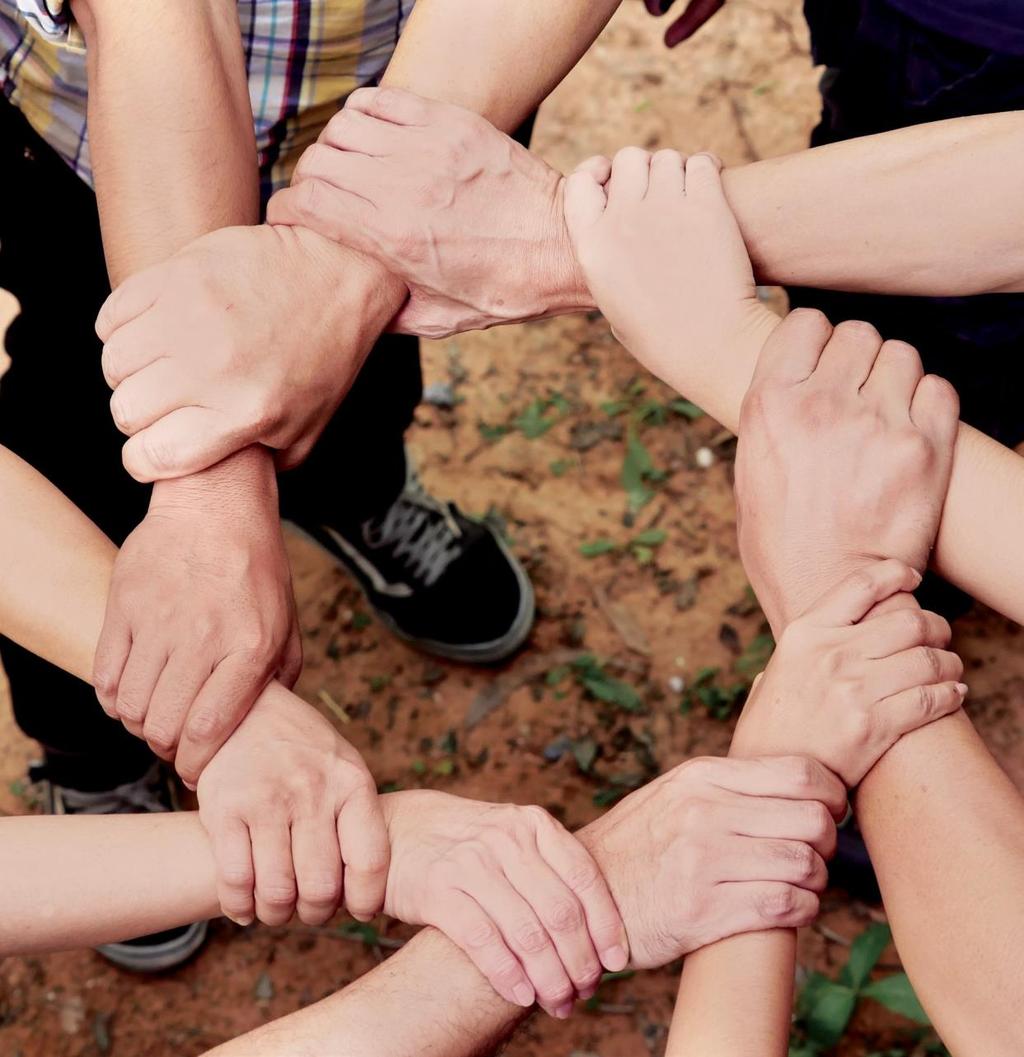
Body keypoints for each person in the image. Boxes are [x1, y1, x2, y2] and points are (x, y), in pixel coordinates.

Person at [0, 0, 636, 970]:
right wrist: (209, 491)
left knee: (370, 370)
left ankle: (356, 495)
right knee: (80, 413)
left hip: (406, 86)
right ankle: (98, 742)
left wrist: (350, 263)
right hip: (94, 138)